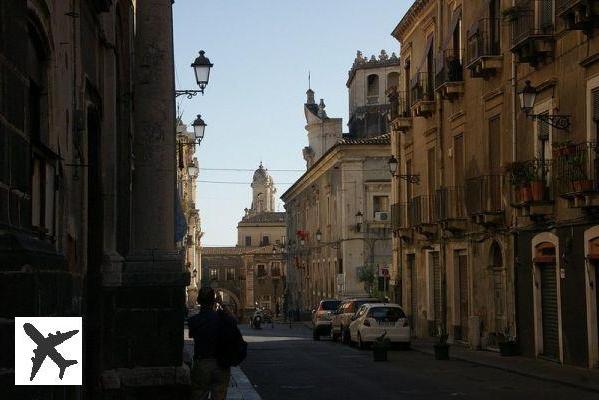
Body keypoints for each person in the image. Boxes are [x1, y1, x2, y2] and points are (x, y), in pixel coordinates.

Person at [188, 287, 235, 400]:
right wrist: (222, 304)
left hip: (202, 363)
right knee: (219, 396)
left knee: (199, 395)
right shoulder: (221, 318)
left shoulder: (194, 320)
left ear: (198, 301)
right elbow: (233, 321)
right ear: (214, 301)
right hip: (221, 364)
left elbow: (191, 335)